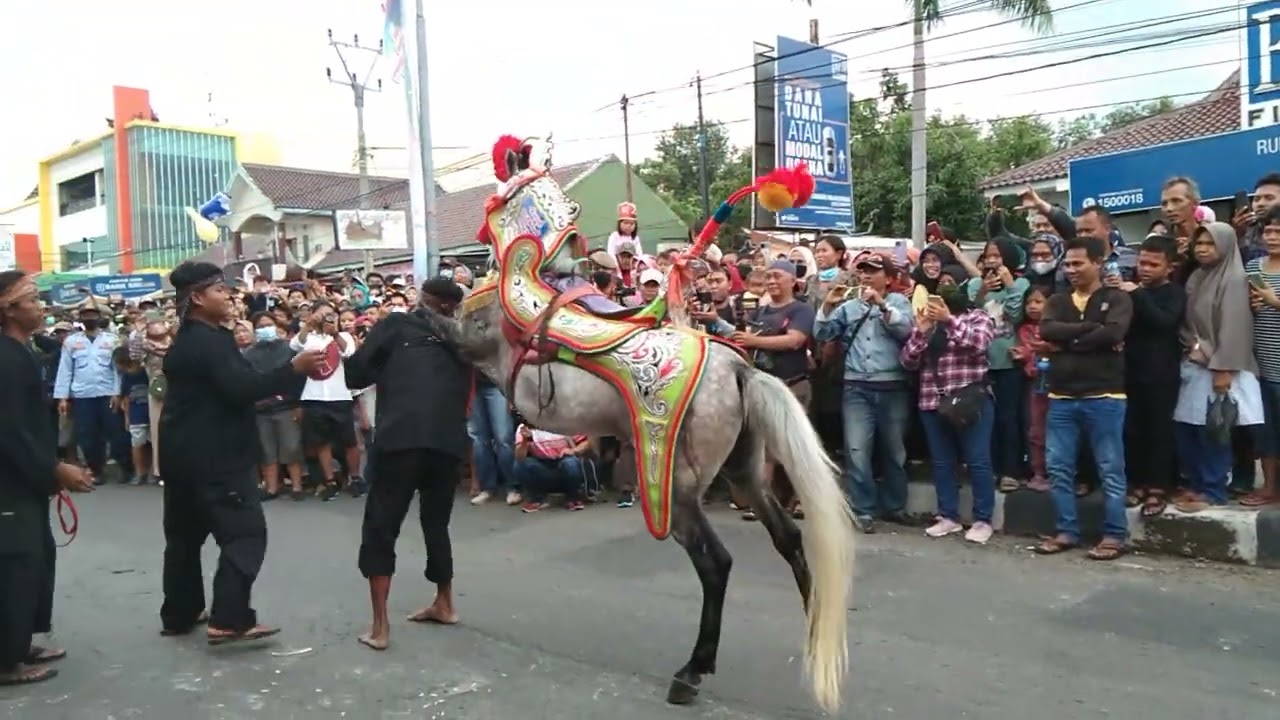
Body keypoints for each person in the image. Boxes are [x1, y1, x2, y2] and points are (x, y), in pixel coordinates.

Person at [157, 261, 324, 643]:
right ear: (197, 298)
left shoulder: (194, 339)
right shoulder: (208, 341)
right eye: (220, 290)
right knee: (245, 534)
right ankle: (229, 618)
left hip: (183, 456)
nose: (231, 296)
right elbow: (243, 389)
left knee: (184, 538)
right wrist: (293, 367)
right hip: (216, 456)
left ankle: (179, 613)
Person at [344, 278, 472, 652]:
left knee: (381, 527)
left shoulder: (396, 325)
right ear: (453, 306)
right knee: (437, 523)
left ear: (422, 299)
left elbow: (356, 374)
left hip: (400, 439)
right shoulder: (463, 338)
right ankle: (445, 602)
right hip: (447, 441)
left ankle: (380, 627)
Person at [0, 270, 95, 686]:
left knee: (38, 553)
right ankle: (6, 659)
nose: (40, 306)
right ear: (8, 308)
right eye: (32, 299)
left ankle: (19, 641)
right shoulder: (4, 357)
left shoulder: (26, 351)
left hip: (27, 474)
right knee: (16, 562)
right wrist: (54, 468)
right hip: (9, 478)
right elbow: (9, 430)